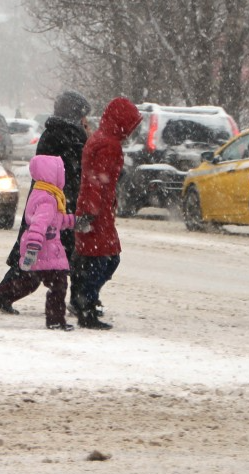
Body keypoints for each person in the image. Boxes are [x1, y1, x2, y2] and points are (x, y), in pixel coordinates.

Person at [0, 91, 91, 316]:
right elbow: (74, 168)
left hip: (54, 201)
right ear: (74, 114)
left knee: (39, 259)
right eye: (83, 116)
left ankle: (1, 296)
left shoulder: (59, 133)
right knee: (46, 260)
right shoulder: (64, 135)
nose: (86, 121)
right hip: (54, 204)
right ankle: (74, 305)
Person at [0, 154, 76, 331]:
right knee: (58, 285)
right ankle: (55, 320)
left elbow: (55, 222)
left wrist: (74, 221)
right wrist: (33, 248)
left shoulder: (41, 193)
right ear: (52, 174)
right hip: (45, 250)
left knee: (28, 283)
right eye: (60, 172)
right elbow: (39, 225)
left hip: (41, 249)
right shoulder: (49, 198)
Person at [71, 96, 142, 330]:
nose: (132, 131)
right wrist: (92, 211)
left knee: (93, 259)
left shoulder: (100, 139)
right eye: (130, 124)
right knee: (103, 260)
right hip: (97, 212)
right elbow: (97, 181)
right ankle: (86, 306)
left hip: (96, 209)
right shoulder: (109, 145)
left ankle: (82, 300)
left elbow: (95, 180)